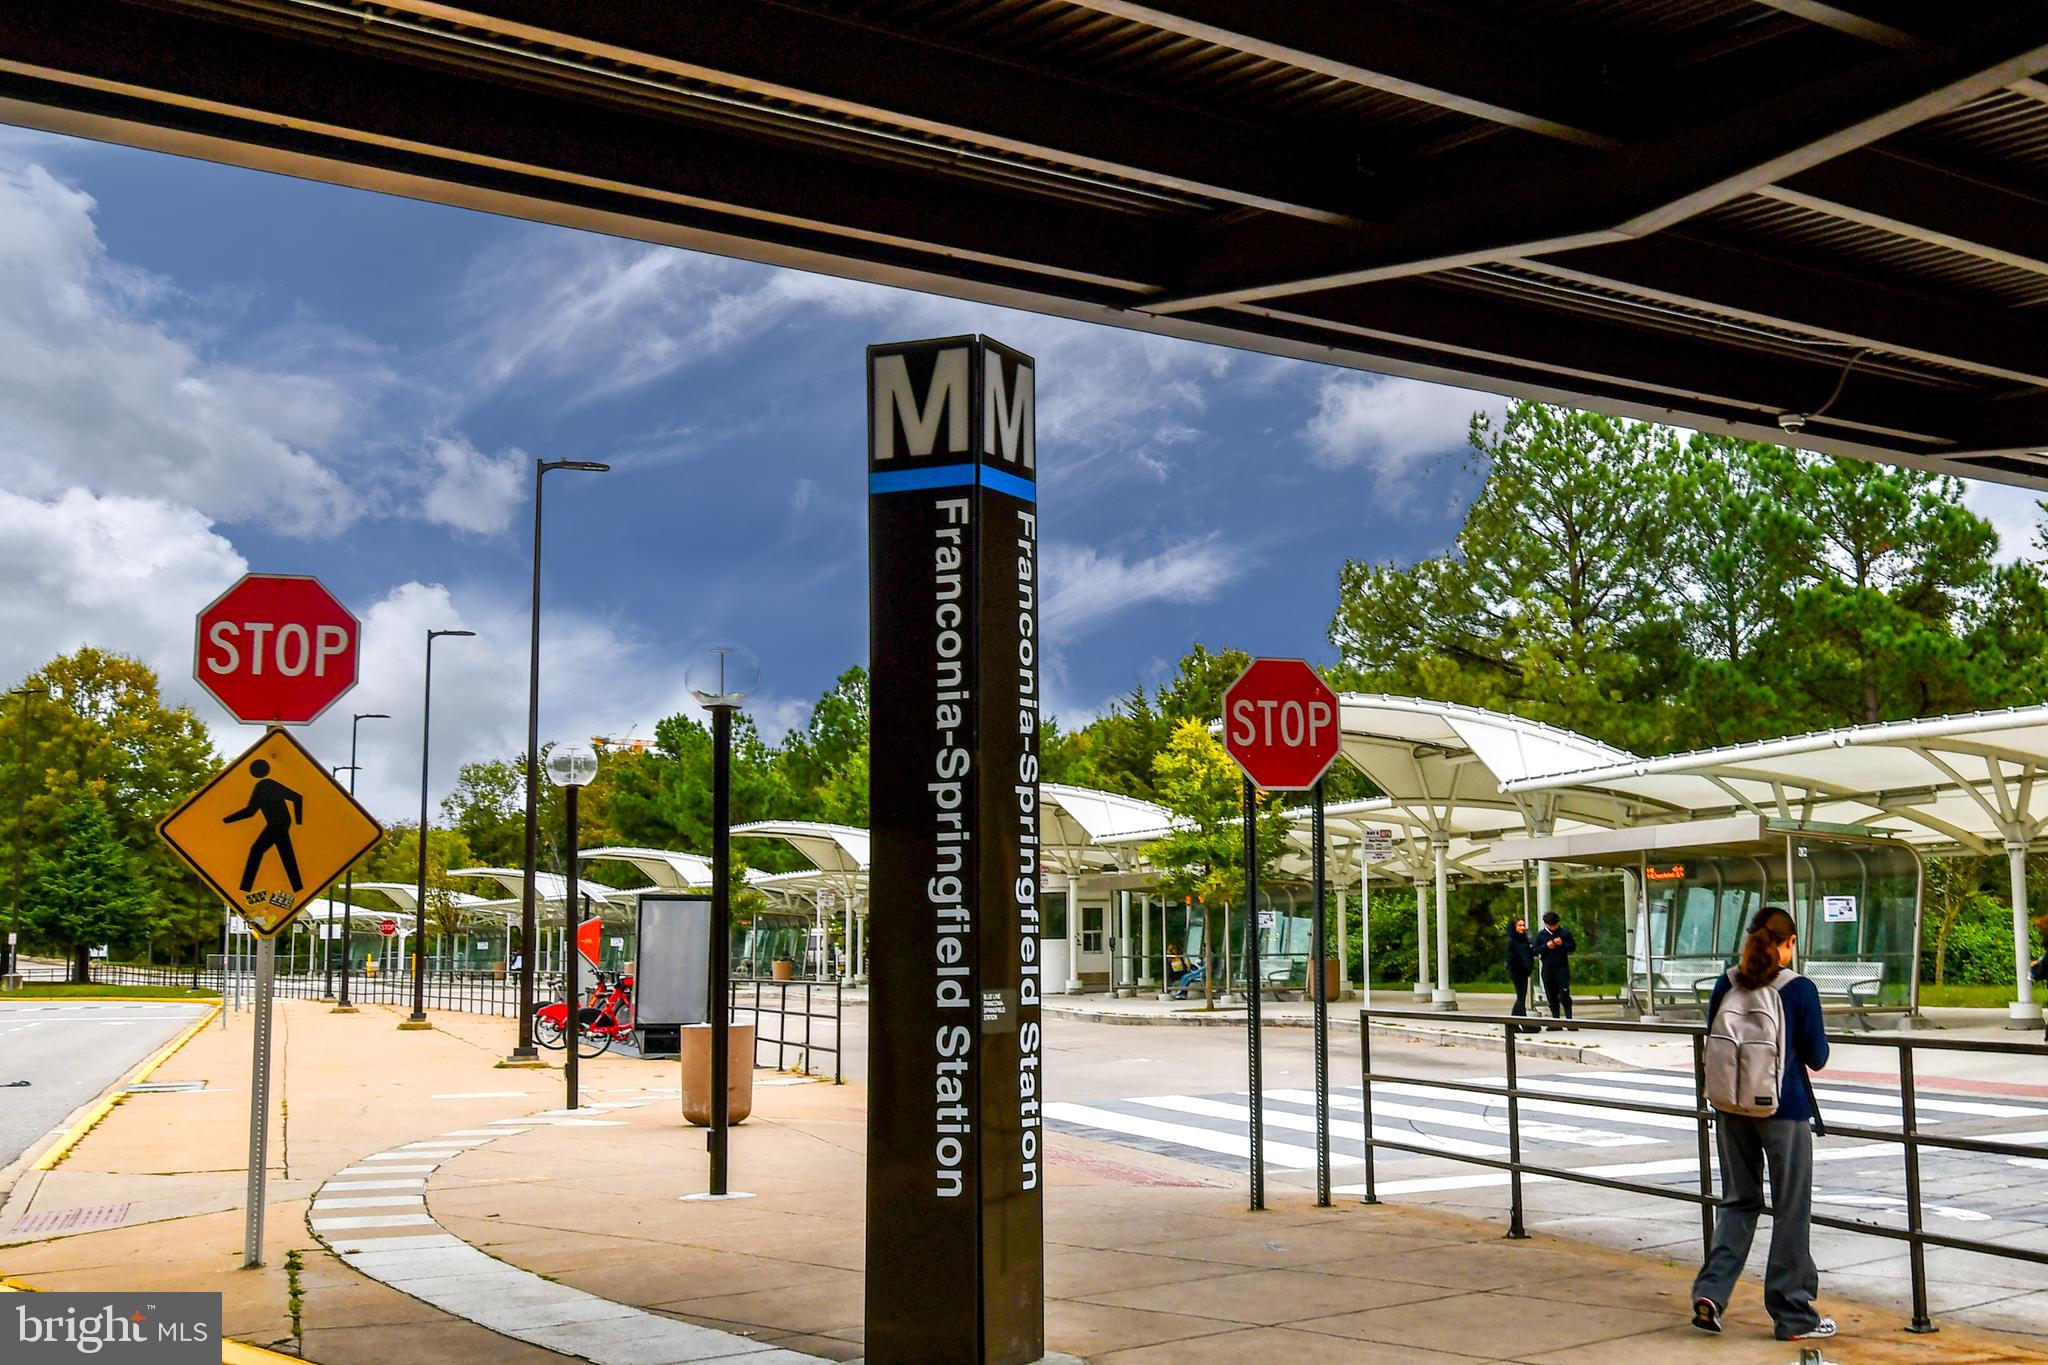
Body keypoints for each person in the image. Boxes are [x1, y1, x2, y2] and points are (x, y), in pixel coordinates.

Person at [1692, 906, 1834, 1342]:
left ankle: (1711, 1295)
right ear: (1788, 943)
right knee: (1791, 1209)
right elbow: (1818, 1056)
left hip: (1731, 1107)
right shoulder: (1799, 989)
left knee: (1738, 1201)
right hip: (1783, 1111)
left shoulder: (1726, 982)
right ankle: (1793, 1314)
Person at [1535, 910, 1574, 1021]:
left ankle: (1569, 1019)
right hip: (1548, 968)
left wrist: (1562, 944)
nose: (1553, 928)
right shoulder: (1541, 935)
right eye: (1550, 926)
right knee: (1551, 995)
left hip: (1562, 968)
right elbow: (1534, 950)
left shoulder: (1565, 933)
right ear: (1546, 924)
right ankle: (1555, 1019)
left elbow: (1572, 947)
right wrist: (1546, 946)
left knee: (1564, 994)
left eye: (1555, 925)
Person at [1505, 918, 1536, 1016]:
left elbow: (1529, 953)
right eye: (1520, 925)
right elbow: (1515, 957)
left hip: (1524, 972)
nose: (1522, 928)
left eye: (1523, 925)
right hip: (1517, 971)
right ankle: (1522, 1020)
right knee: (1521, 996)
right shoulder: (1512, 941)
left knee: (1521, 996)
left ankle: (1515, 1021)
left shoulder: (1524, 940)